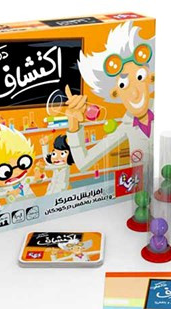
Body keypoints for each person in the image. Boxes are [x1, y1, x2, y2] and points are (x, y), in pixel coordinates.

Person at [65, 21, 155, 187]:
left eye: (140, 77)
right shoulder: (126, 125)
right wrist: (73, 125)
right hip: (139, 190)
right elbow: (83, 163)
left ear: (151, 77)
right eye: (123, 85)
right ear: (115, 93)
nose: (134, 93)